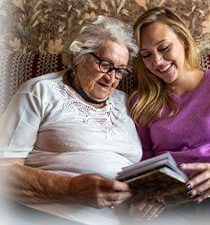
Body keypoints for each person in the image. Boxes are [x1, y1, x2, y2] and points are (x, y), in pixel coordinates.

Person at [0, 15, 142, 225]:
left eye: (120, 71)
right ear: (79, 55)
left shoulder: (126, 103)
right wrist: (71, 189)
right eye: (105, 64)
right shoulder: (39, 91)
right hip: (53, 215)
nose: (111, 78)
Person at [127, 7, 210, 224]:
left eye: (164, 48)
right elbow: (142, 160)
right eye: (147, 55)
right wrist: (140, 200)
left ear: (183, 41)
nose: (157, 62)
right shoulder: (140, 101)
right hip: (170, 201)